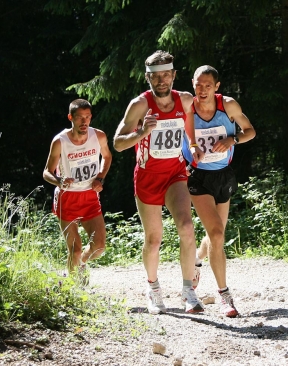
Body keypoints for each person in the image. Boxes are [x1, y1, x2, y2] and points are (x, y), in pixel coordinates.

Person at [113, 50, 205, 314]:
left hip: (175, 173)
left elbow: (189, 124)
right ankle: (153, 288)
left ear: (174, 75)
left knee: (187, 228)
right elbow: (118, 144)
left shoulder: (185, 100)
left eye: (166, 75)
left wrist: (193, 143)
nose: (162, 81)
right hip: (147, 178)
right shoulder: (140, 105)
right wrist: (142, 132)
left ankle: (188, 291)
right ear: (148, 78)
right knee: (154, 240)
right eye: (156, 77)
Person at [182, 65, 256, 317]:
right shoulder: (186, 107)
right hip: (197, 176)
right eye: (198, 85)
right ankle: (225, 296)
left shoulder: (228, 106)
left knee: (217, 236)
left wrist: (232, 140)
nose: (201, 90)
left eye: (207, 85)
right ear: (192, 84)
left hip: (223, 174)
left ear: (217, 86)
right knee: (215, 233)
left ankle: (197, 260)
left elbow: (251, 131)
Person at [43, 99, 112, 274]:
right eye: (80, 117)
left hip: (89, 195)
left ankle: (81, 263)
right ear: (70, 118)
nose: (84, 122)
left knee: (99, 246)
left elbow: (107, 156)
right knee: (75, 249)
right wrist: (59, 181)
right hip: (68, 198)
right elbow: (46, 172)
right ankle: (74, 291)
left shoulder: (99, 136)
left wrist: (100, 178)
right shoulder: (60, 141)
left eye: (87, 117)